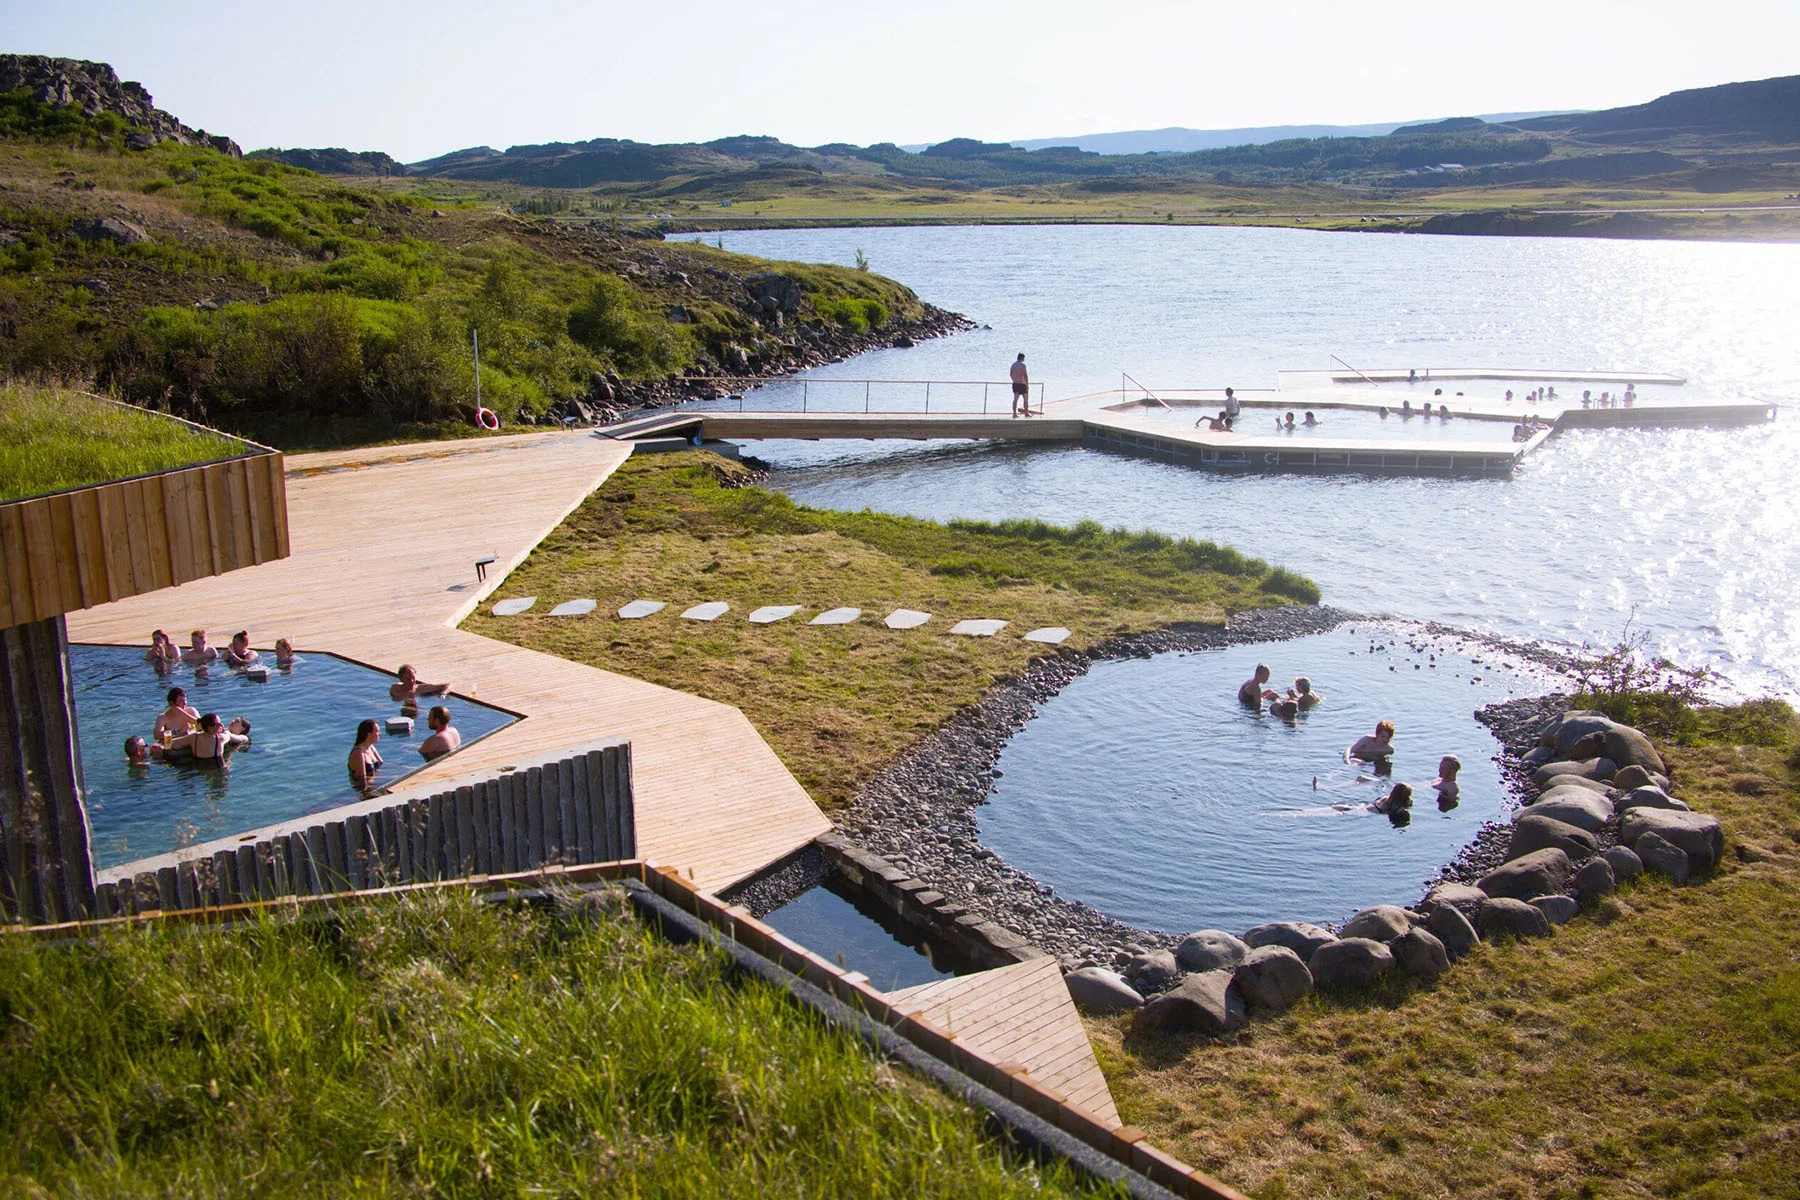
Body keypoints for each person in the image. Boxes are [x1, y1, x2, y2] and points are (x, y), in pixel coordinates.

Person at [168, 712, 247, 767]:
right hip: (217, 766)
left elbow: (171, 744)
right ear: (210, 728)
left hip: (198, 765)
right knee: (229, 760)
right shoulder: (220, 738)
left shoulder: (194, 737)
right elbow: (232, 736)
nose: (221, 725)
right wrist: (223, 730)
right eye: (218, 724)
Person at [349, 718, 383, 793]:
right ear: (368, 734)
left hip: (375, 784)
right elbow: (362, 781)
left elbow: (381, 764)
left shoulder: (370, 747)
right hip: (366, 790)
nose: (380, 734)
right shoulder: (358, 753)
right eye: (377, 731)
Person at [1009, 353, 1031, 418]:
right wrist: (1027, 384)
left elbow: (1011, 374)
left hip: (1015, 384)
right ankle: (1026, 413)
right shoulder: (1023, 365)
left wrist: (1014, 379)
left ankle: (1014, 413)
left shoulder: (1013, 365)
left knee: (1015, 399)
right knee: (1026, 399)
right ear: (1022, 358)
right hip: (1022, 384)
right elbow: (1025, 375)